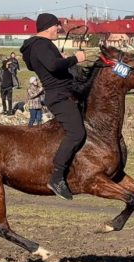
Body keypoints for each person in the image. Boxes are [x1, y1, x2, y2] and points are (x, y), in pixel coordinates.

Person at [20, 13, 86, 200]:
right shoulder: (41, 44)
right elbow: (53, 65)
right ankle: (56, 177)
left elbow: (42, 65)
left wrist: (60, 59)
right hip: (60, 96)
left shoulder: (35, 47)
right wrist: (74, 58)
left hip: (62, 93)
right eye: (57, 26)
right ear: (49, 27)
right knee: (76, 133)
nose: (59, 29)